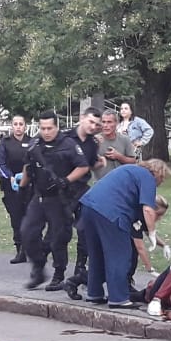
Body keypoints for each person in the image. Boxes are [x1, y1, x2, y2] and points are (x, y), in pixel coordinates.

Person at [78, 159, 171, 308]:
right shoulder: (147, 177)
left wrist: (161, 243)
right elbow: (148, 209)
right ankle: (118, 298)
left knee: (97, 254)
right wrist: (152, 232)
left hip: (88, 206)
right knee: (120, 256)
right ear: (158, 173)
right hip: (111, 212)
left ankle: (94, 293)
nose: (161, 183)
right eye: (163, 178)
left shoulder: (129, 170)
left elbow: (140, 218)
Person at [16, 111, 90, 290]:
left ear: (57, 127)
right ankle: (38, 267)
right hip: (39, 196)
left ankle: (59, 275)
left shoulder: (68, 144)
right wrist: (22, 186)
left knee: (59, 238)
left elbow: (83, 166)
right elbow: (28, 166)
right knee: (27, 232)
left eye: (49, 128)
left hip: (59, 197)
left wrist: (66, 180)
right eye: (43, 128)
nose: (46, 132)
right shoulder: (35, 144)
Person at [60, 107, 103, 289]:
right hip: (63, 190)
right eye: (91, 121)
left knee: (85, 230)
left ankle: (80, 268)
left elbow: (89, 165)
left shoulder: (92, 143)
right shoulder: (64, 138)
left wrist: (99, 162)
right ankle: (58, 272)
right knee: (60, 232)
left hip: (82, 190)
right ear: (82, 118)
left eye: (96, 124)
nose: (93, 126)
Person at [0, 114, 35, 264]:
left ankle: (30, 249)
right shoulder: (5, 142)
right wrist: (10, 176)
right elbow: (1, 163)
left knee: (30, 218)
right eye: (15, 124)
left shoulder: (32, 141)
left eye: (21, 124)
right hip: (11, 186)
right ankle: (20, 250)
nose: (18, 127)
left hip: (30, 186)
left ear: (25, 126)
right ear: (12, 126)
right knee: (16, 218)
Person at [94, 108, 137, 178]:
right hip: (101, 182)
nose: (105, 125)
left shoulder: (125, 139)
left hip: (120, 181)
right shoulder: (95, 140)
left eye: (109, 122)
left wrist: (119, 156)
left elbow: (133, 161)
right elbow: (88, 164)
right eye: (103, 122)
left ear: (117, 123)